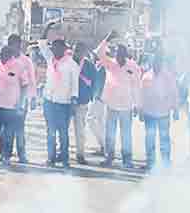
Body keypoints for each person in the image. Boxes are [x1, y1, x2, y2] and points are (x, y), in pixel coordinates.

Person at [97, 31, 141, 168]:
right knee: (110, 134)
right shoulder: (110, 64)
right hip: (111, 105)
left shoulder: (133, 66)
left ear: (126, 54)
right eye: (117, 53)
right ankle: (109, 158)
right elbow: (98, 52)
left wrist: (137, 105)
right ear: (115, 54)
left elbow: (136, 87)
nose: (119, 55)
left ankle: (127, 160)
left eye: (122, 52)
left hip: (126, 106)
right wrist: (108, 38)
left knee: (126, 135)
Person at [38, 24, 79, 169]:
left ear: (64, 49)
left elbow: (75, 85)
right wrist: (47, 27)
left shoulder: (72, 64)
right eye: (53, 48)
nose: (54, 50)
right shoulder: (50, 60)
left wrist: (74, 102)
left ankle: (65, 159)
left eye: (57, 48)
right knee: (50, 132)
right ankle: (51, 158)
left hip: (64, 104)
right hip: (49, 102)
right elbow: (42, 43)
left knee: (63, 133)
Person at [0, 46, 25, 164]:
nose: (1, 57)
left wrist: (20, 103)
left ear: (10, 55)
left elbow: (24, 85)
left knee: (9, 133)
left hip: (12, 106)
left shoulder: (19, 66)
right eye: (0, 55)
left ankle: (5, 156)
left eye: (4, 55)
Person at [139, 55, 180, 170]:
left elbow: (174, 93)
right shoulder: (146, 76)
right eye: (155, 62)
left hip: (163, 113)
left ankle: (166, 163)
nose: (157, 64)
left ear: (161, 63)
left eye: (159, 62)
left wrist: (175, 109)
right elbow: (142, 94)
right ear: (152, 63)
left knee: (164, 139)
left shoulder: (168, 76)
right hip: (149, 113)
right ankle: (150, 163)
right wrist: (140, 109)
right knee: (149, 139)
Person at [5, 34, 35, 163]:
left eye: (16, 45)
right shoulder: (5, 58)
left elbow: (32, 80)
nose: (14, 48)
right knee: (6, 128)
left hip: (21, 100)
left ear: (19, 45)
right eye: (11, 45)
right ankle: (6, 153)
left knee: (19, 128)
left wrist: (32, 97)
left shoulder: (26, 61)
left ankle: (22, 154)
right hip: (6, 99)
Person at [73, 41, 96, 164]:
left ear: (84, 52)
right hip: (65, 101)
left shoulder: (89, 66)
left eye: (79, 50)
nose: (77, 53)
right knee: (63, 129)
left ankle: (80, 154)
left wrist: (90, 97)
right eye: (75, 50)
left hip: (82, 101)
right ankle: (62, 152)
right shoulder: (68, 62)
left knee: (80, 129)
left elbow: (94, 83)